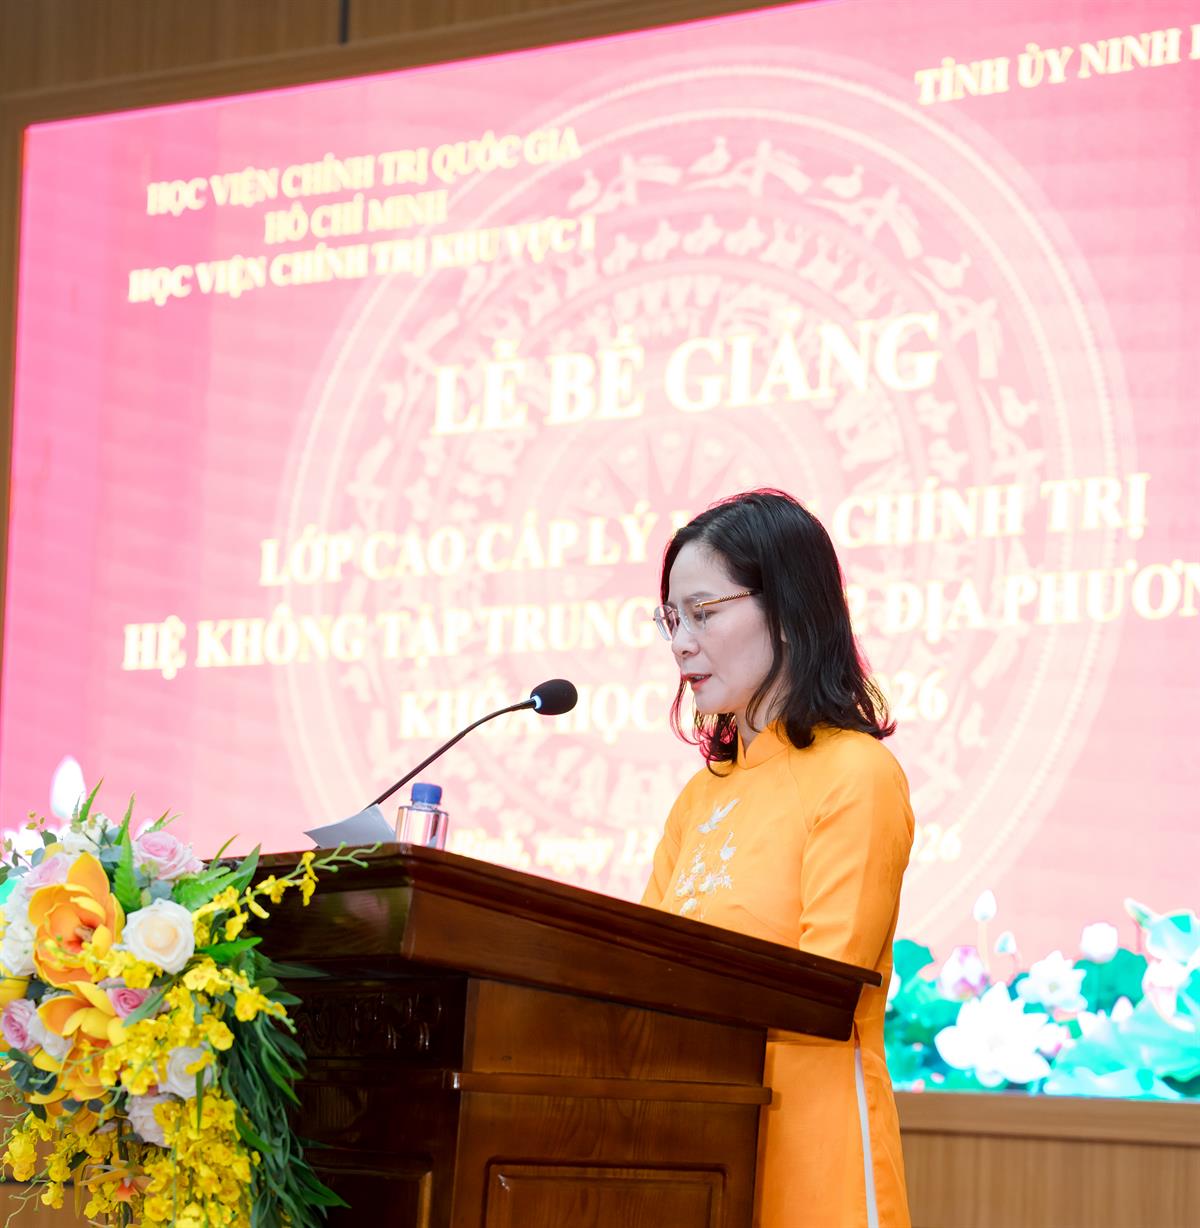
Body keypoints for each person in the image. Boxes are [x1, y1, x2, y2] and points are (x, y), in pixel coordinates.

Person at [641, 489, 913, 1228]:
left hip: (814, 1160)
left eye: (703, 612)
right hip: (698, 1157)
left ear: (788, 609)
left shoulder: (856, 775)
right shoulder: (701, 795)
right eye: (671, 619)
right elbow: (639, 973)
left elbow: (822, 993)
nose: (680, 643)